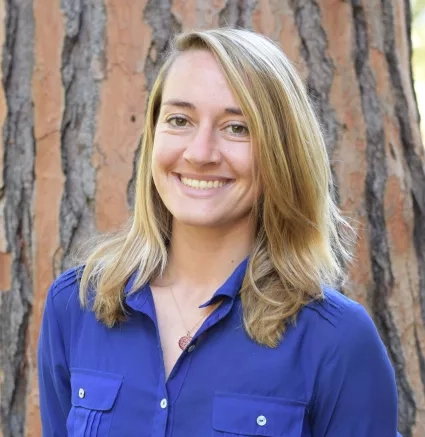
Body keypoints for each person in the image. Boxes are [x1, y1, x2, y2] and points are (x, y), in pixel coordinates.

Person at [38, 27, 402, 436]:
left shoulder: (337, 340)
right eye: (180, 120)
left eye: (237, 127)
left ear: (282, 152)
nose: (200, 153)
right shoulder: (77, 305)